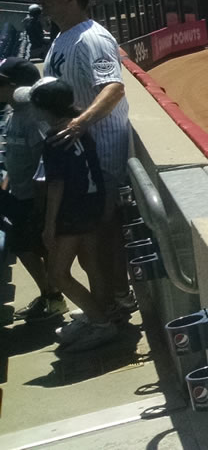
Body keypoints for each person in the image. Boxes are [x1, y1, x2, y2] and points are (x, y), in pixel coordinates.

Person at [37, 0, 133, 316]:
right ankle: (104, 306)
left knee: (103, 236)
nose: (41, 0)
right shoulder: (62, 38)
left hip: (100, 155)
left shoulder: (92, 38)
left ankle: (117, 303)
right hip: (79, 159)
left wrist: (79, 123)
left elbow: (113, 86)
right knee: (88, 242)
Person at [15, 78, 118, 351]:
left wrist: (49, 226)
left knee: (59, 273)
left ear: (45, 108)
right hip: (92, 205)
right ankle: (100, 312)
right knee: (91, 264)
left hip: (72, 213)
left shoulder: (55, 139)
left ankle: (100, 324)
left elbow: (56, 185)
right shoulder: (80, 127)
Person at [0, 57, 65, 322]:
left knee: (36, 247)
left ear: (15, 86)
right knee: (23, 245)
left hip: (35, 200)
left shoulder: (32, 116)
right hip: (19, 194)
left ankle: (54, 298)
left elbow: (45, 164)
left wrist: (43, 208)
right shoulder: (13, 112)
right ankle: (50, 295)